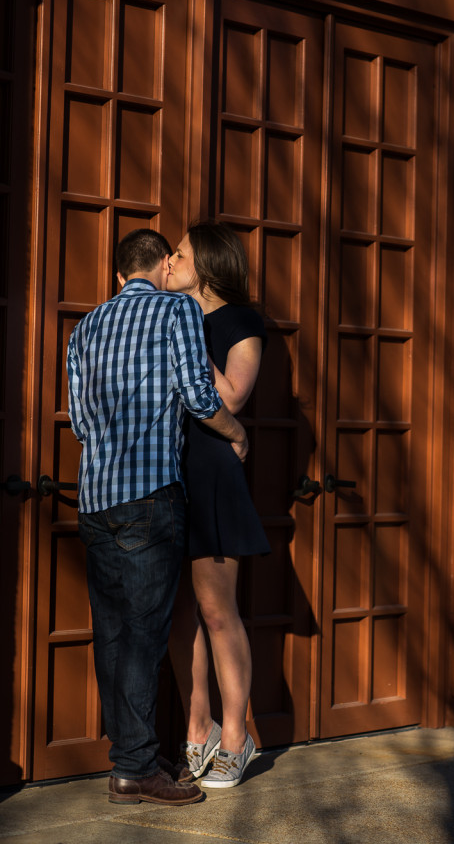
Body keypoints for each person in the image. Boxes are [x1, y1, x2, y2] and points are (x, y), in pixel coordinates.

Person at [67, 228, 248, 807]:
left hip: (96, 498)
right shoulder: (175, 310)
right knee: (144, 638)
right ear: (158, 266)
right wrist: (236, 433)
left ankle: (129, 760)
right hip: (151, 496)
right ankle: (137, 769)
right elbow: (199, 394)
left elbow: (77, 419)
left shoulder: (86, 326)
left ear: (119, 275)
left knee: (114, 637)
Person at [167, 219, 269, 790]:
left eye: (179, 254)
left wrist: (185, 343)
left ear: (206, 267)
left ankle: (237, 737)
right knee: (179, 613)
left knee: (216, 610)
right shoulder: (169, 317)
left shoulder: (239, 321)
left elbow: (230, 394)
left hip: (213, 478)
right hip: (166, 476)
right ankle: (197, 727)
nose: (169, 262)